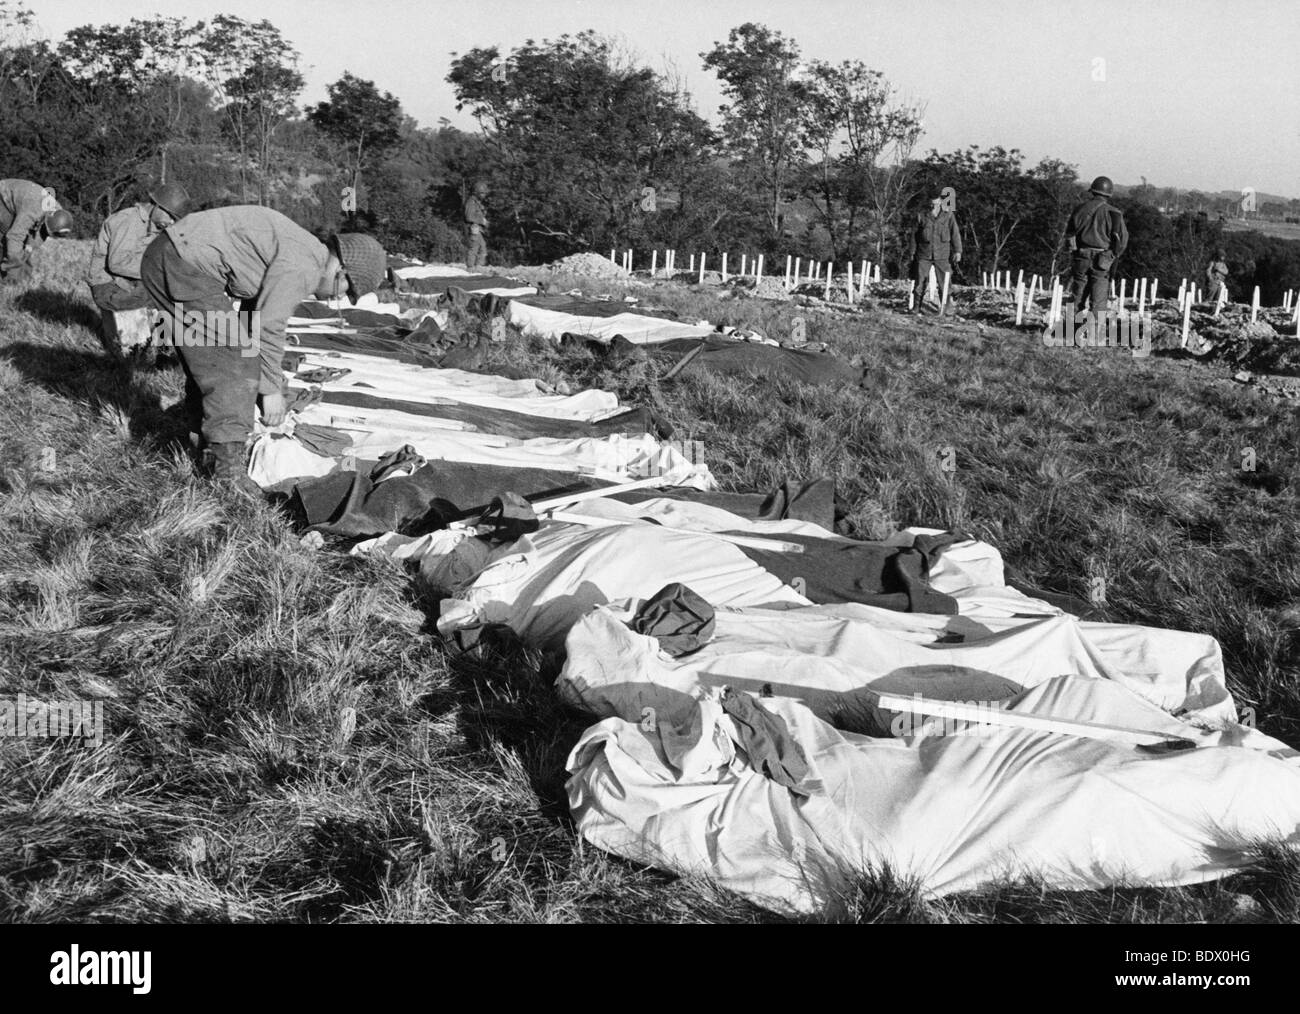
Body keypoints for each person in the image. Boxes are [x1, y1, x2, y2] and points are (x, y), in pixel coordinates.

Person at [140, 205, 387, 492]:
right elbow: (267, 326)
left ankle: (203, 447)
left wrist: (271, 379)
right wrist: (270, 392)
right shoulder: (304, 266)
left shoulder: (302, 251)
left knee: (216, 358)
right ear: (341, 272)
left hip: (169, 257)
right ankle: (227, 476)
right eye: (345, 292)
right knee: (234, 365)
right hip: (181, 263)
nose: (337, 297)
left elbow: (251, 318)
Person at [86, 183, 192, 356]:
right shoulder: (130, 220)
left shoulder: (154, 224)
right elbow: (117, 263)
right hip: (108, 288)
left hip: (125, 283)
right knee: (168, 293)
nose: (172, 222)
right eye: (171, 216)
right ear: (157, 206)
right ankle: (163, 347)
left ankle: (164, 345)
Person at [1067, 176, 1128, 317]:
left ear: (1092, 191)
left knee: (1077, 298)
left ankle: (1071, 334)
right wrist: (1110, 257)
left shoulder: (1079, 209)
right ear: (1109, 194)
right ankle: (1093, 336)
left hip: (1081, 257)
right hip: (1102, 260)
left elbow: (1069, 235)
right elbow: (1122, 241)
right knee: (1098, 303)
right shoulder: (1115, 214)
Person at [0, 178, 73, 281]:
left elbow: (42, 233)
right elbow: (14, 237)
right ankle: (8, 278)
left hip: (24, 202)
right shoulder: (33, 210)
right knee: (9, 241)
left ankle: (23, 279)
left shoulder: (58, 212)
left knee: (23, 247)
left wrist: (29, 246)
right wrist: (14, 261)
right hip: (3, 198)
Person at [910, 190, 962, 313]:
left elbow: (955, 233)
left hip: (942, 254)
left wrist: (958, 251)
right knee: (920, 280)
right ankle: (917, 306)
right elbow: (914, 235)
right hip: (924, 253)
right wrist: (912, 252)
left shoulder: (948, 214)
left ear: (941, 200)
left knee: (944, 281)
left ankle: (946, 307)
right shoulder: (921, 215)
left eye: (936, 201)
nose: (934, 204)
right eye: (931, 201)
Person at [463, 180, 489, 269]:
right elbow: (469, 217)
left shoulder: (477, 203)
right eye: (482, 193)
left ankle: (479, 268)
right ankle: (470, 268)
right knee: (474, 249)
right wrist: (482, 221)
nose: (484, 195)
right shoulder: (471, 202)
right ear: (476, 192)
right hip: (473, 229)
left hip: (478, 230)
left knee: (483, 249)